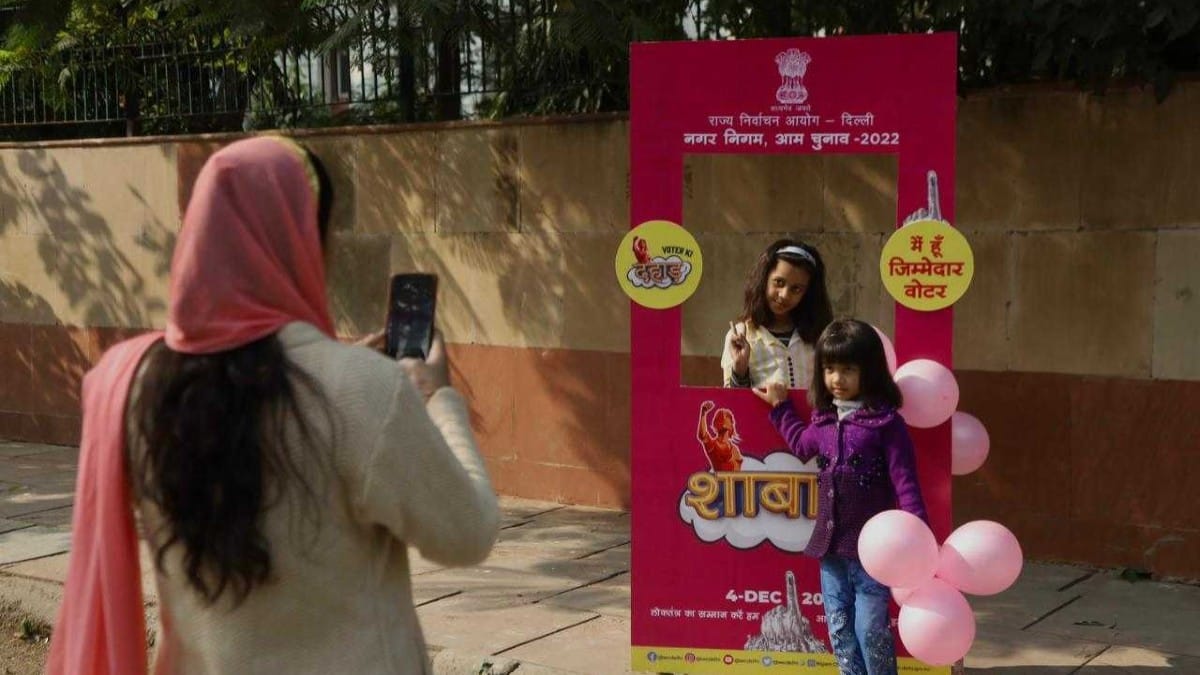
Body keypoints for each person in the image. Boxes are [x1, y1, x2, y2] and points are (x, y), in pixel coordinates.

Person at [47, 136, 500, 675]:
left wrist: (331, 363)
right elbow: (467, 533)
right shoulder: (362, 390)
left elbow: (249, 386)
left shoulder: (133, 385)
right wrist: (437, 398)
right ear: (304, 244)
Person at [753, 319, 926, 675]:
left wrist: (919, 537)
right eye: (829, 369)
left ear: (870, 371)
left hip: (874, 553)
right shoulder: (823, 421)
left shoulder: (886, 424)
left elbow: (905, 482)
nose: (837, 378)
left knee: (870, 627)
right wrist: (780, 407)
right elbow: (801, 445)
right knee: (839, 626)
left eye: (848, 369)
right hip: (830, 548)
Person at [722, 239, 833, 389]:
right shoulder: (741, 335)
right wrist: (739, 370)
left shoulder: (821, 335)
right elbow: (732, 400)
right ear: (763, 279)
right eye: (779, 282)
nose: (784, 295)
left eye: (796, 289)